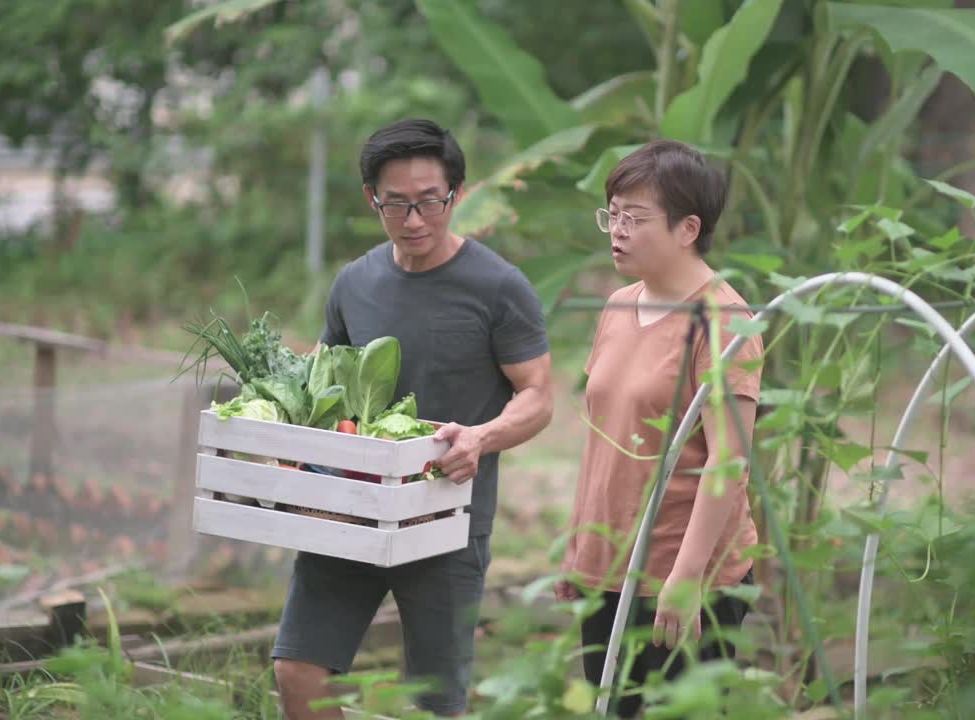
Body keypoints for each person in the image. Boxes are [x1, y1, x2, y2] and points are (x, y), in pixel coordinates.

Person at [271, 118, 554, 718]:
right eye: (395, 204)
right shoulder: (355, 282)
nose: (415, 220)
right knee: (297, 671)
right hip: (349, 510)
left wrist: (480, 436)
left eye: (431, 201)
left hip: (448, 520)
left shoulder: (499, 287)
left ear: (456, 194)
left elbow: (537, 397)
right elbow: (323, 381)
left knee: (432, 703)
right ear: (372, 199)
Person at [556, 140, 764, 718]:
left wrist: (687, 576)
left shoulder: (724, 321)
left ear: (687, 228)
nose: (616, 231)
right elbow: (605, 439)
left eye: (635, 218)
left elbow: (729, 460)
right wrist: (583, 551)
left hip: (683, 575)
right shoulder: (619, 304)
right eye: (612, 215)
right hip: (609, 567)